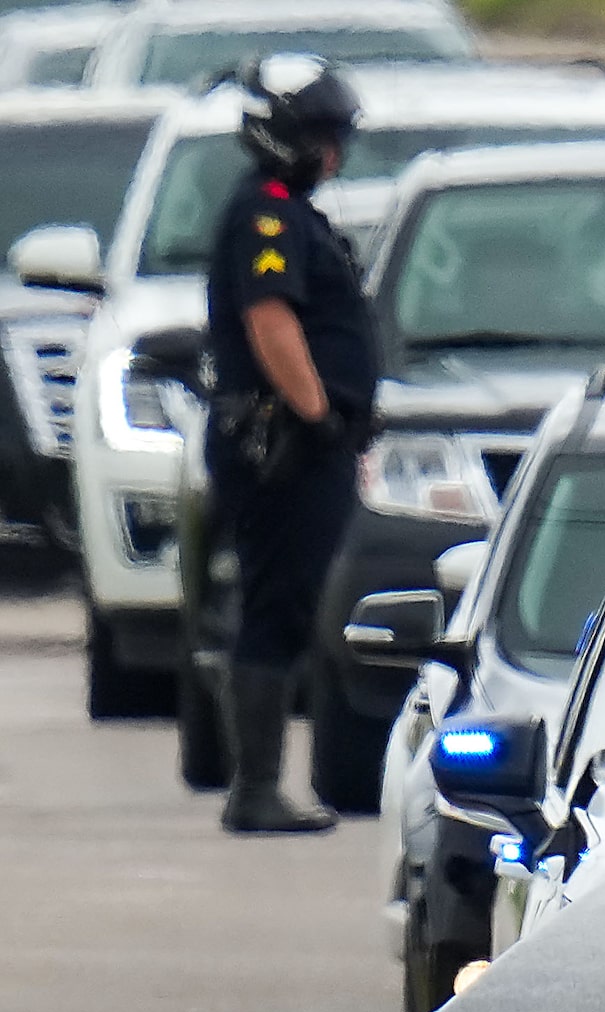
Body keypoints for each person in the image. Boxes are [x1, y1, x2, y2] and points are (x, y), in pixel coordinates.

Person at [203, 55, 373, 834]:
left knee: (287, 603)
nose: (334, 154)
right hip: (283, 446)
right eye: (322, 137)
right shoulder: (266, 216)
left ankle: (261, 783)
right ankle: (257, 788)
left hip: (302, 444)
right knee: (275, 606)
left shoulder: (289, 212)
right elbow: (271, 321)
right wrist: (317, 416)